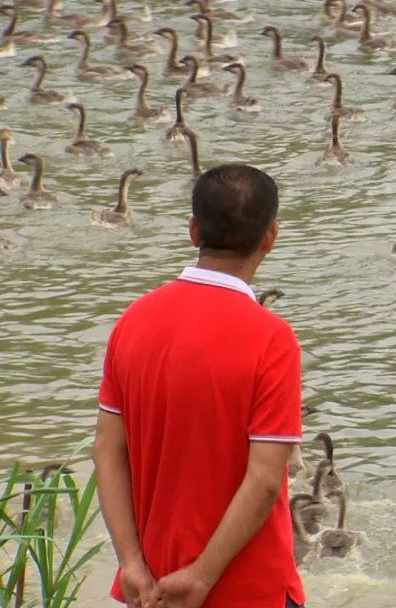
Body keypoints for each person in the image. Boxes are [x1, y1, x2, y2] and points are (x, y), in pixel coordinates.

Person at [93, 164, 305, 608]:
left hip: (148, 586)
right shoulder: (271, 338)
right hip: (247, 589)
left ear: (193, 230)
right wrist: (201, 576)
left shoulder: (134, 320)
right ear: (271, 237)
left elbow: (107, 450)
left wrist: (130, 560)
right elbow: (265, 480)